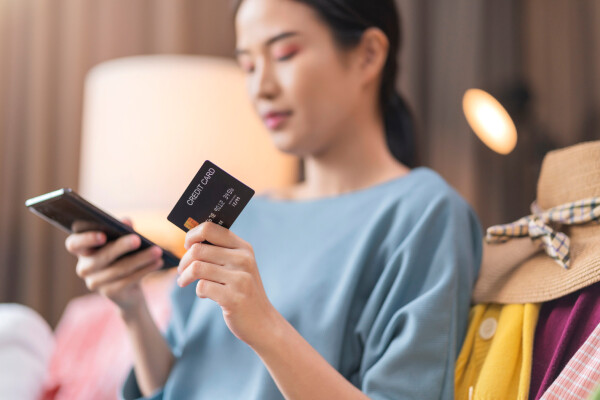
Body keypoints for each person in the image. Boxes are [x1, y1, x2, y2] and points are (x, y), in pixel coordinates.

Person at [65, 0, 482, 398]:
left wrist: (264, 325)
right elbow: (179, 384)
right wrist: (131, 306)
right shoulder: (244, 214)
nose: (260, 87)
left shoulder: (424, 212)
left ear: (368, 54)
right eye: (247, 64)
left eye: (284, 54)